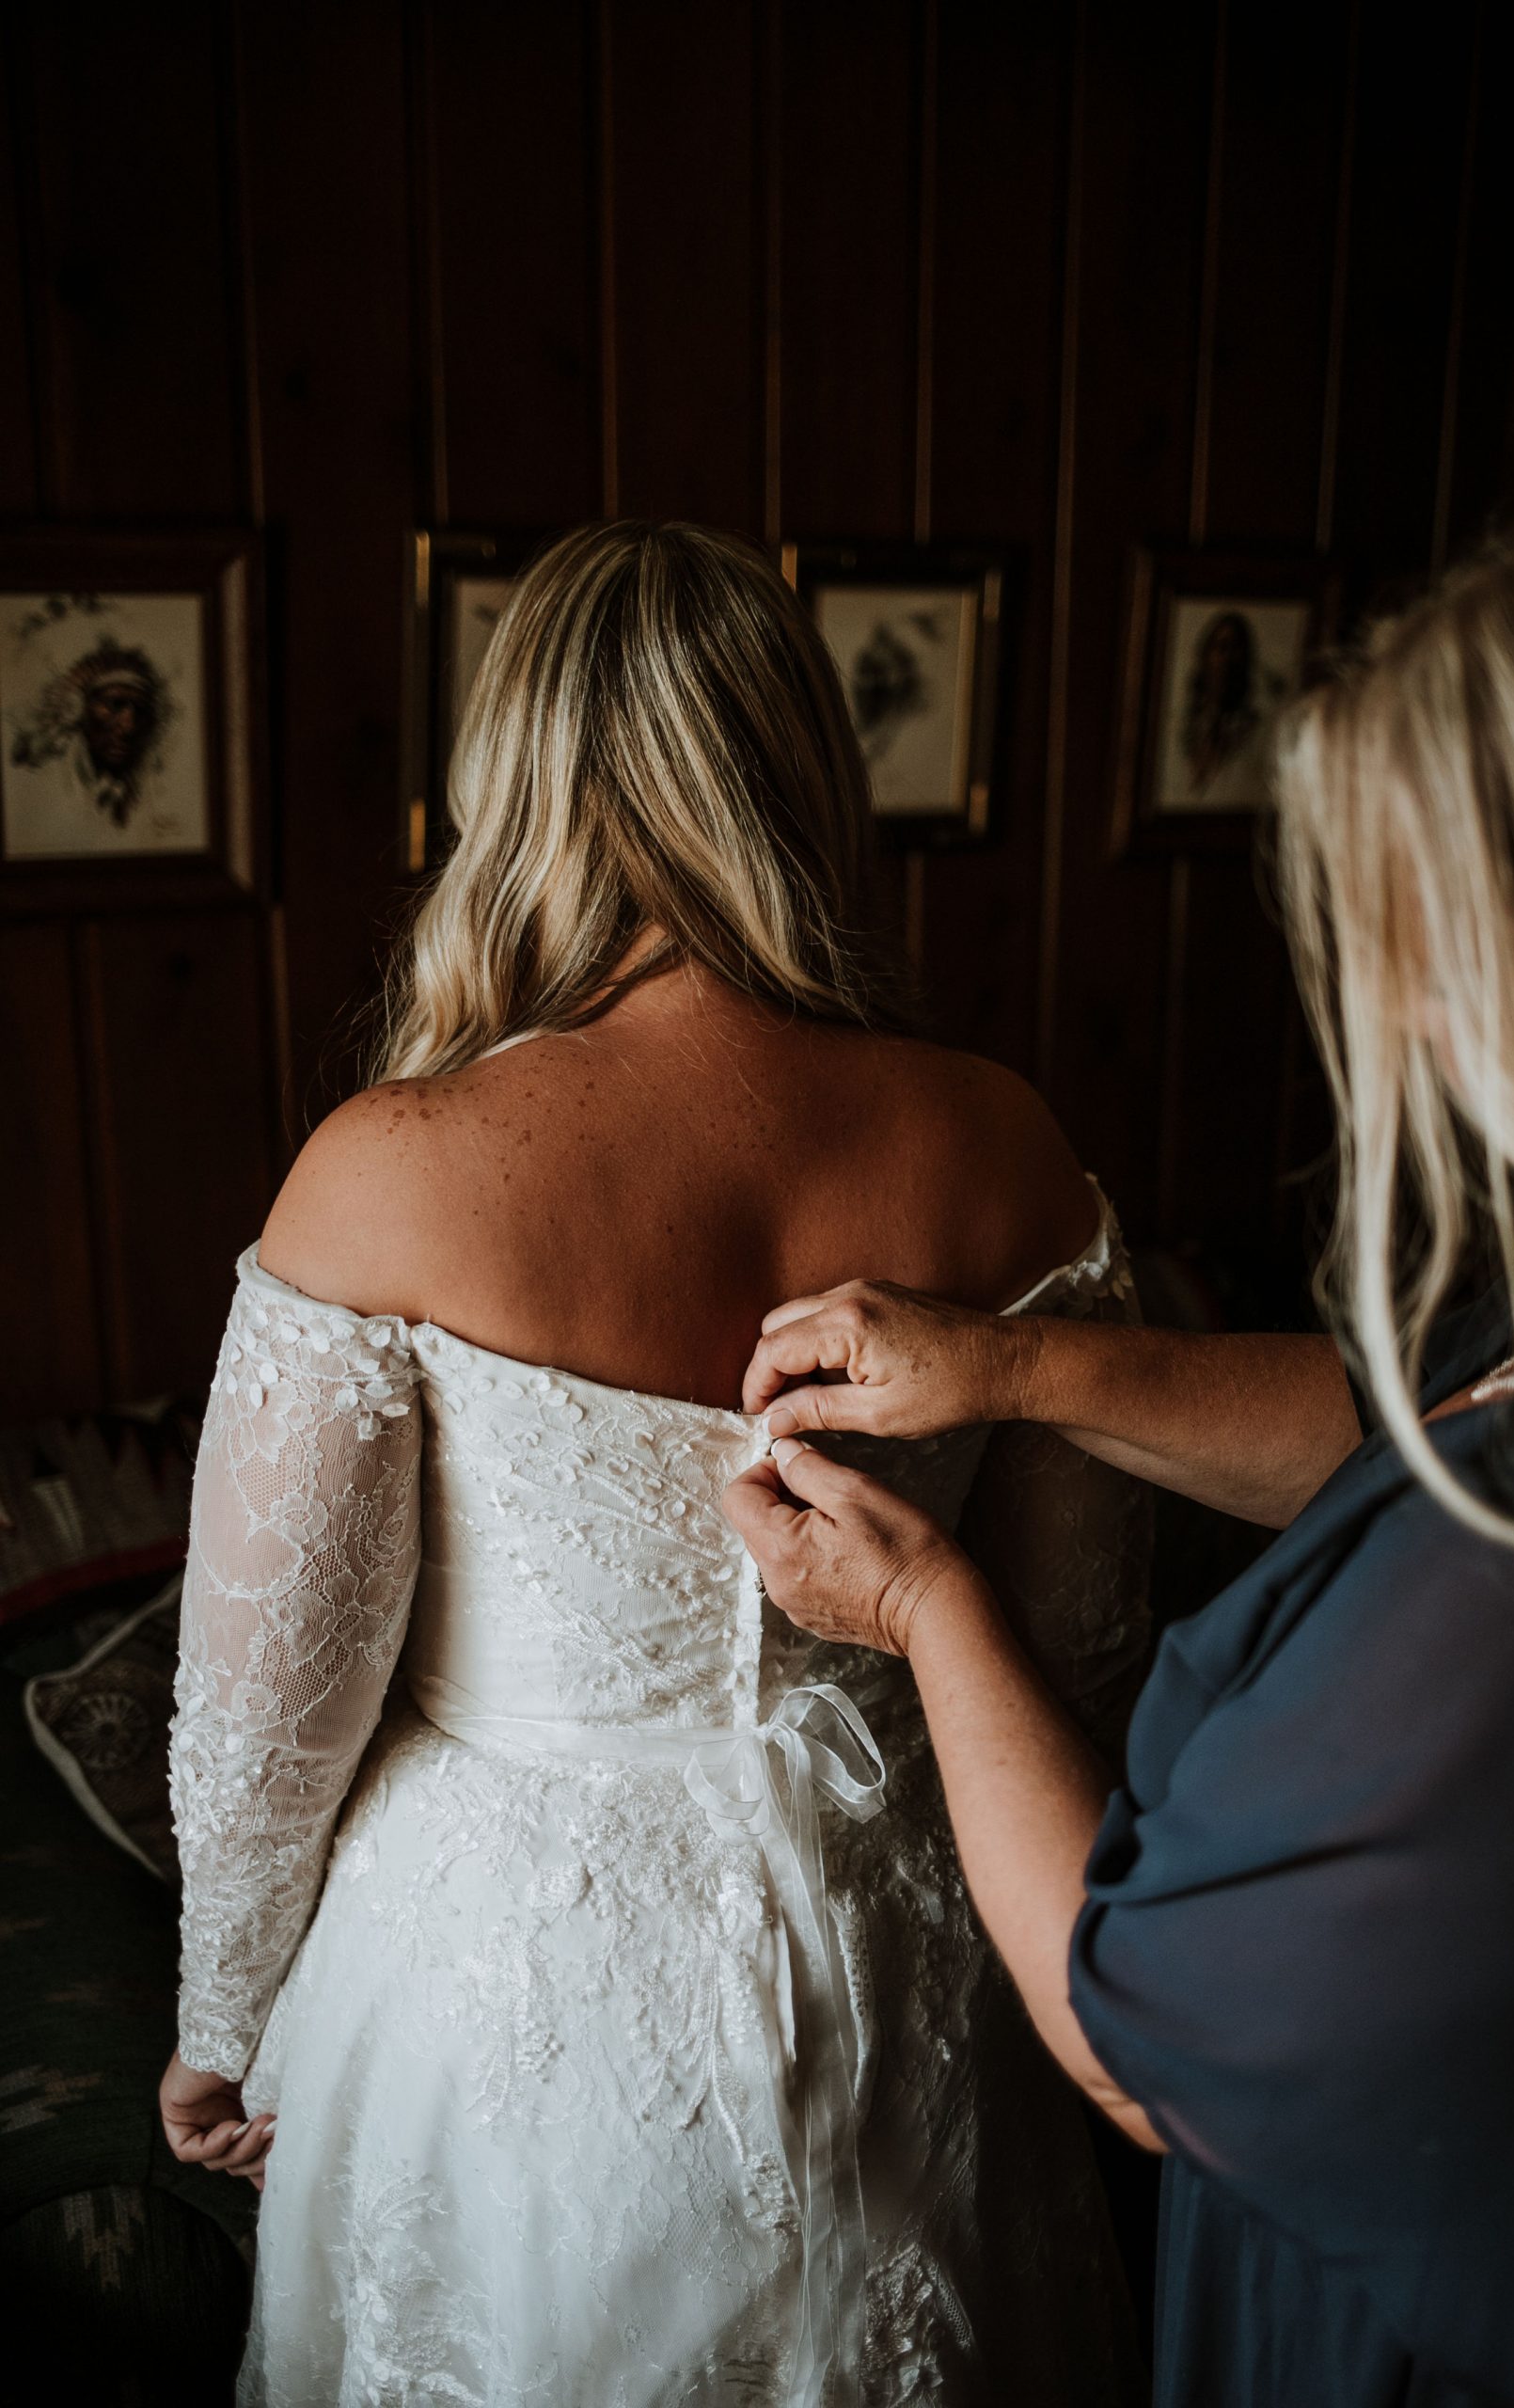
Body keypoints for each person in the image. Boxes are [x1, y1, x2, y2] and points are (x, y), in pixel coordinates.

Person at [158, 521, 1154, 2406]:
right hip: (908, 1957)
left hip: (514, 2001)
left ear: (515, 784)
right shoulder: (1005, 1147)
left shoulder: (390, 1173)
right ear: (803, 771)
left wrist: (221, 2020)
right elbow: (1081, 1648)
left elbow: (267, 1704)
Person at [727, 498, 1514, 2408]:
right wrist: (1011, 1366)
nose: (1403, 1010)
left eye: (1426, 936)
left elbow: (1133, 2031)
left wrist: (928, 1602)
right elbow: (1403, 1426)